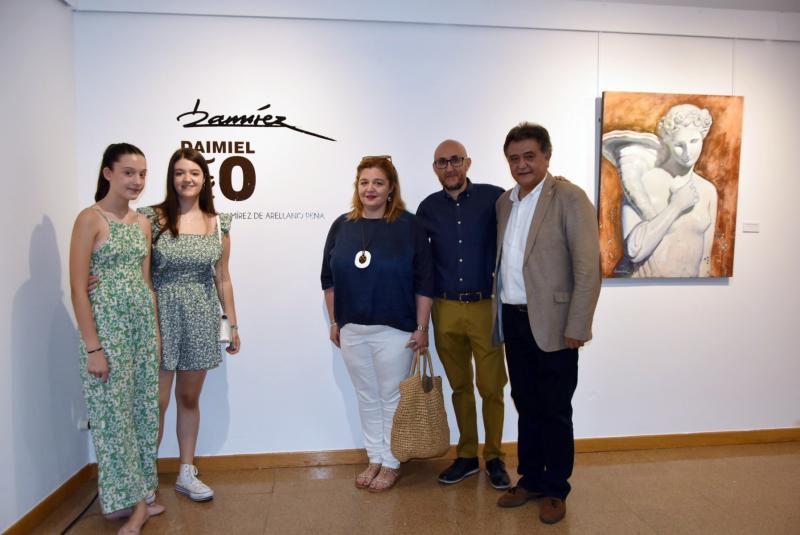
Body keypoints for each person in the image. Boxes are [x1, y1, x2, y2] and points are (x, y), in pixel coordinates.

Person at [492, 123, 600, 525]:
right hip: (513, 319)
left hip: (555, 324)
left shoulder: (570, 198)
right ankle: (532, 478)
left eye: (529, 156)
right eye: (514, 158)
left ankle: (556, 487)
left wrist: (578, 326)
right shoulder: (504, 203)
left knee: (555, 408)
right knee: (526, 403)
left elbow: (588, 268)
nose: (521, 164)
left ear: (546, 156)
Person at [321, 155, 434, 492]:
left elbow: (424, 281)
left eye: (378, 183)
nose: (370, 189)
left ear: (391, 188)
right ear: (357, 187)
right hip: (352, 330)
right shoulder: (342, 225)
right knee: (366, 396)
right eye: (364, 182)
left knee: (392, 398)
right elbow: (328, 279)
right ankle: (375, 457)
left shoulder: (409, 226)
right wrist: (335, 321)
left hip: (395, 330)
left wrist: (422, 328)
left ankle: (392, 462)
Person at [69, 143, 165, 535]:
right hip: (107, 332)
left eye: (141, 174)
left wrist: (155, 335)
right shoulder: (89, 219)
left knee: (142, 413)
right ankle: (137, 506)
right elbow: (78, 289)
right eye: (128, 173)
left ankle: (129, 498)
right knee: (112, 418)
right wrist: (93, 347)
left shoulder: (142, 222)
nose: (137, 181)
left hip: (140, 330)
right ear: (108, 173)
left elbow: (146, 284)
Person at [138, 147, 241, 501]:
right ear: (172, 177)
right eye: (180, 172)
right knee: (156, 401)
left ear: (204, 179)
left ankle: (186, 471)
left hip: (201, 315)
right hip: (160, 314)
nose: (187, 179)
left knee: (188, 397)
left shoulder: (218, 223)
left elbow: (222, 277)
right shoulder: (151, 219)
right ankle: (145, 478)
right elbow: (142, 274)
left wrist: (233, 324)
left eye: (194, 173)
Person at [416, 140, 510, 489]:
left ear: (467, 163)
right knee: (459, 386)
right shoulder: (427, 208)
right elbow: (420, 263)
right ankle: (468, 455)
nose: (449, 167)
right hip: (445, 309)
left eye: (455, 160)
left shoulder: (494, 198)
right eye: (442, 162)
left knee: (492, 387)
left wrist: (555, 184)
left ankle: (495, 457)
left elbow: (527, 208)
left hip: (485, 306)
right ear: (435, 168)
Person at [601, 103, 718, 277]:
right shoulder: (645, 182)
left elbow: (705, 259)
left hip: (691, 287)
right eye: (679, 145)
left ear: (703, 136)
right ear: (668, 143)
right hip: (644, 285)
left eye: (694, 141)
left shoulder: (708, 191)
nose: (687, 152)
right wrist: (676, 206)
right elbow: (633, 250)